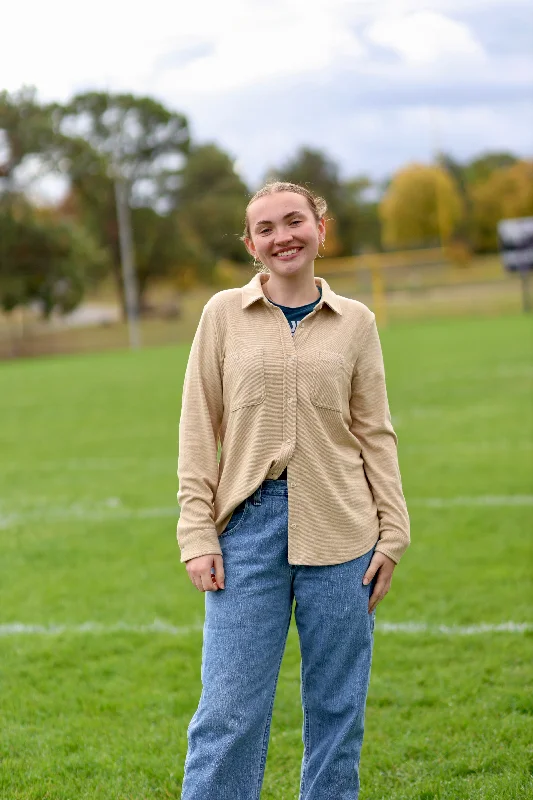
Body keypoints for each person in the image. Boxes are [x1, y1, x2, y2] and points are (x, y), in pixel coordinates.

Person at [176, 181, 410, 800]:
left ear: (320, 230)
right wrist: (197, 531)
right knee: (228, 714)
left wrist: (393, 532)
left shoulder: (357, 322)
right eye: (267, 228)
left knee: (337, 714)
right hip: (246, 532)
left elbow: (375, 432)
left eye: (294, 221)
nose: (283, 236)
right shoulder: (222, 315)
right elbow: (199, 426)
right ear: (252, 245)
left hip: (343, 532)